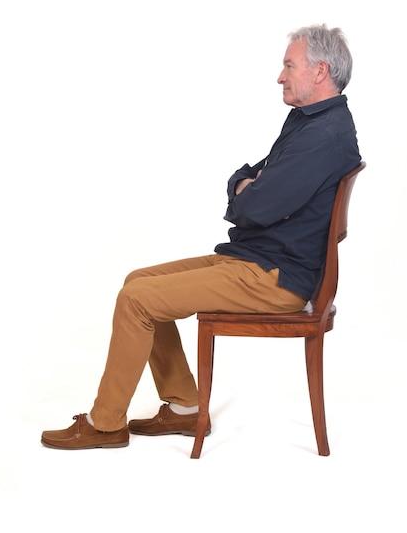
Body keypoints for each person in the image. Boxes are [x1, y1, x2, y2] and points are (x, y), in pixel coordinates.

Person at [41, 23, 361, 450]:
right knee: (138, 281)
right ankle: (186, 408)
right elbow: (248, 178)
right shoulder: (308, 122)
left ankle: (105, 425)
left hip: (274, 277)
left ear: (320, 72)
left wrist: (251, 192)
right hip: (255, 259)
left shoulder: (324, 135)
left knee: (136, 301)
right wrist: (248, 186)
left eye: (288, 65)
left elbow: (258, 205)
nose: (280, 76)